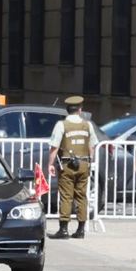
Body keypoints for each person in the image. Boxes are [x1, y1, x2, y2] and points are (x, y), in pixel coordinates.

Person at [46, 95, 98, 240]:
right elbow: (92, 146)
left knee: (66, 196)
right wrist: (89, 162)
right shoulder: (88, 125)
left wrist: (50, 164)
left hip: (67, 165)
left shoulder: (61, 125)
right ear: (80, 110)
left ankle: (63, 230)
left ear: (67, 110)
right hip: (83, 164)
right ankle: (81, 230)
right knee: (81, 196)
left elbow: (54, 147)